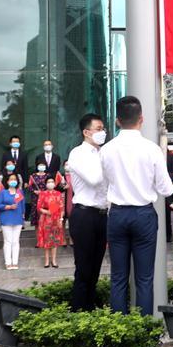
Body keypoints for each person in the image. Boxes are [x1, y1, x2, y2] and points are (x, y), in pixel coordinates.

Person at [100, 95, 173, 315]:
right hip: (144, 215)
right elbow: (167, 189)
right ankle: (143, 334)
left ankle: (119, 333)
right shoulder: (151, 150)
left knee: (118, 278)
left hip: (118, 215)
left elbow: (104, 186)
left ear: (117, 120)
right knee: (144, 279)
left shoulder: (106, 149)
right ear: (141, 119)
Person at [66, 113, 109, 311]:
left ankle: (90, 308)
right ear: (86, 132)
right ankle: (78, 310)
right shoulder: (78, 153)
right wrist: (107, 162)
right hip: (83, 215)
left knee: (96, 267)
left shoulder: (102, 153)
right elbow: (94, 178)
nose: (102, 133)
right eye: (98, 129)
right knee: (83, 267)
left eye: (103, 129)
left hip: (102, 215)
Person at [0, 174, 24, 270]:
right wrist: (8, 207)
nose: (13, 181)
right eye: (11, 179)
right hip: (6, 219)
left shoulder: (20, 192)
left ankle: (15, 262)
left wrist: (22, 216)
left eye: (15, 179)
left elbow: (23, 206)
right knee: (8, 241)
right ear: (7, 182)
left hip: (17, 219)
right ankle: (8, 262)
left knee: (16, 241)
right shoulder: (3, 192)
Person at [37, 176, 65, 268]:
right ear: (46, 184)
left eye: (52, 181)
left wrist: (61, 219)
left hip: (56, 219)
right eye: (48, 182)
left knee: (54, 240)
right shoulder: (43, 194)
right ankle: (46, 260)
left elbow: (61, 208)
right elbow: (39, 207)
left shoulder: (58, 194)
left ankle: (54, 260)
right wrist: (46, 212)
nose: (50, 183)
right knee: (46, 239)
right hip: (45, 219)